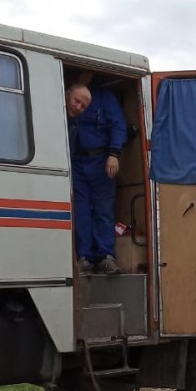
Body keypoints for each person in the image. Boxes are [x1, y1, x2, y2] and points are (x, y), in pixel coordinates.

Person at [67, 72, 127, 275]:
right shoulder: (68, 97)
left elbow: (118, 125)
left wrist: (114, 153)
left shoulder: (105, 98)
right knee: (80, 209)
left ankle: (106, 257)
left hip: (102, 160)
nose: (79, 107)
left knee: (102, 209)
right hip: (76, 161)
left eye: (87, 73)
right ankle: (84, 257)